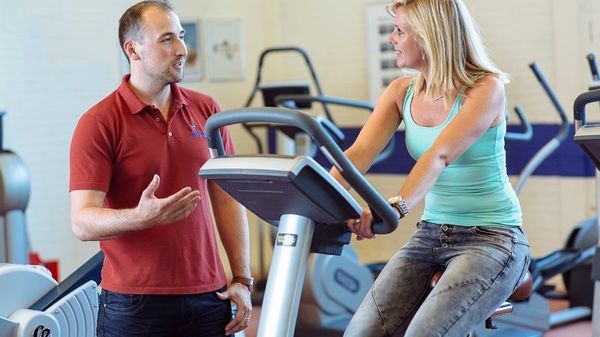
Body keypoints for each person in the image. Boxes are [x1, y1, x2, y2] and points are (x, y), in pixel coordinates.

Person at [332, 0, 530, 336]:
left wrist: (397, 205)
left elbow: (440, 155)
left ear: (428, 37)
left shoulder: (485, 88)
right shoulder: (400, 92)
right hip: (430, 235)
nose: (390, 39)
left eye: (399, 31)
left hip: (493, 238)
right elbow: (359, 153)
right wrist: (315, 198)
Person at [69, 1, 252, 336]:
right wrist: (141, 217)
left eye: (181, 36)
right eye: (167, 39)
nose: (182, 49)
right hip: (133, 304)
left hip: (209, 296)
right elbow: (82, 221)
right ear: (133, 49)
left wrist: (242, 279)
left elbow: (226, 199)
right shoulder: (98, 122)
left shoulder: (207, 110)